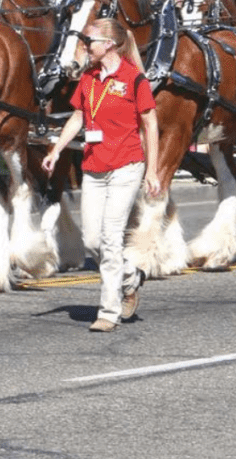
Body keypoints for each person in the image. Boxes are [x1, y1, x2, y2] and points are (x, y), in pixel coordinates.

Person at [41, 17, 160, 333]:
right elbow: (78, 118)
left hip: (126, 166)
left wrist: (153, 169)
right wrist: (56, 150)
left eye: (88, 40)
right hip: (93, 168)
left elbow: (150, 124)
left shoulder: (134, 80)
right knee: (92, 241)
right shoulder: (89, 78)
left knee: (110, 238)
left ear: (108, 44)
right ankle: (131, 278)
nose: (84, 45)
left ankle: (109, 310)